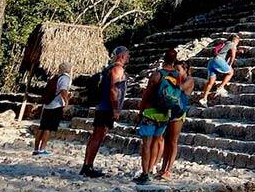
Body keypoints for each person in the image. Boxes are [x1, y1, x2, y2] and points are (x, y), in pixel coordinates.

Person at [134, 49, 185, 184]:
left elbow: (146, 94)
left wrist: (140, 112)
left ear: (163, 59)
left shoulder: (157, 75)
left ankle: (145, 173)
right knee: (158, 140)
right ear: (174, 60)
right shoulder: (177, 76)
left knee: (147, 143)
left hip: (151, 112)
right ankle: (151, 169)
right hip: (164, 114)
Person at [81, 46, 129, 178]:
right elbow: (114, 90)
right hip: (107, 107)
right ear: (122, 56)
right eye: (127, 55)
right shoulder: (117, 69)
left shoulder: (108, 69)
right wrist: (116, 109)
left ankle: (87, 165)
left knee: (95, 136)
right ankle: (88, 166)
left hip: (102, 106)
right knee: (98, 136)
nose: (129, 57)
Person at [156, 58, 194, 180]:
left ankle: (168, 170)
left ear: (186, 70)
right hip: (170, 111)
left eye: (178, 70)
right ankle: (163, 168)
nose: (176, 72)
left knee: (173, 141)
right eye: (175, 70)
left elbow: (179, 89)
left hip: (179, 113)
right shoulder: (176, 78)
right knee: (166, 140)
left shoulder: (189, 80)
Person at [33, 62, 72, 156]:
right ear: (68, 69)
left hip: (48, 104)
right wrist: (66, 102)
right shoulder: (65, 78)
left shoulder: (56, 77)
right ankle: (42, 149)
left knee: (42, 127)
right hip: (56, 105)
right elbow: (63, 90)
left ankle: (36, 149)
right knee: (48, 128)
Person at [197, 34, 239, 107]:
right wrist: (230, 65)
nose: (237, 43)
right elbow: (233, 56)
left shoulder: (225, 43)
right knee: (231, 72)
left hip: (212, 61)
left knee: (211, 82)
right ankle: (220, 87)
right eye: (238, 42)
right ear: (235, 40)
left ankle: (204, 99)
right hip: (219, 60)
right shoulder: (232, 44)